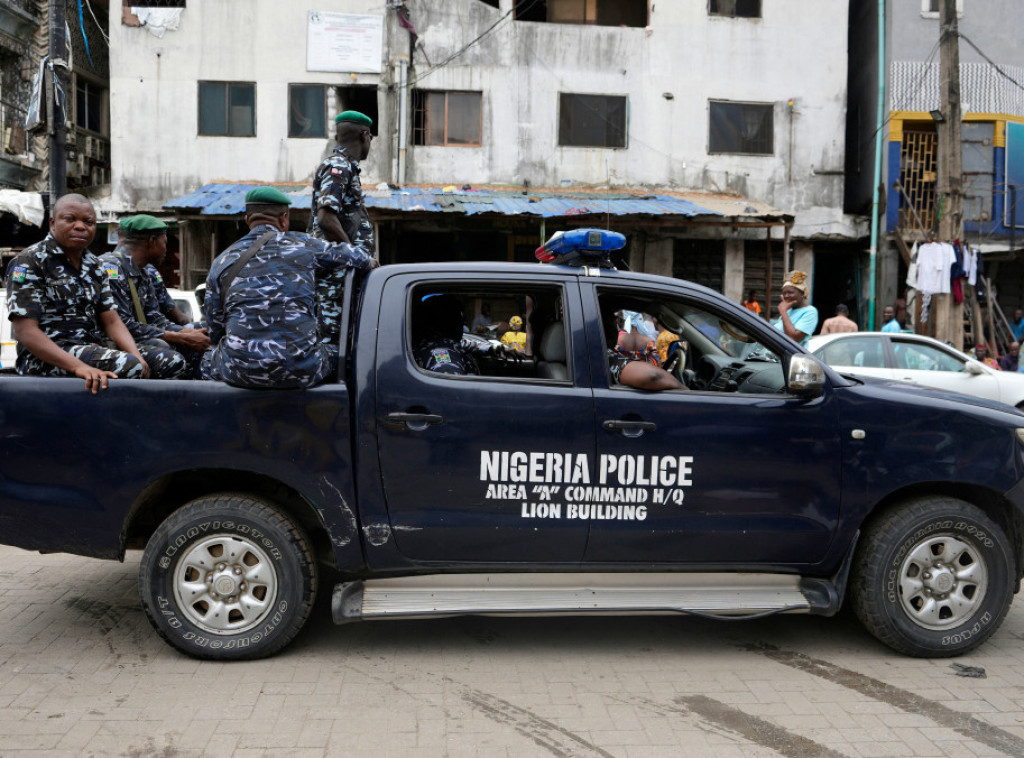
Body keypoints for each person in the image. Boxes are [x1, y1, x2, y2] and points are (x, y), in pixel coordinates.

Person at [201, 187, 374, 389]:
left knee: (206, 358)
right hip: (302, 370)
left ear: (248, 220)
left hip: (239, 372)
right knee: (338, 354)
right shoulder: (305, 245)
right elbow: (359, 257)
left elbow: (215, 331)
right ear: (284, 218)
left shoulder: (221, 261)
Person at [4, 194, 152, 393]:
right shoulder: (29, 262)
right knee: (130, 365)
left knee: (170, 361)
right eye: (70, 219)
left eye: (88, 222)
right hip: (45, 358)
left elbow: (112, 321)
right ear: (53, 223)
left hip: (90, 348)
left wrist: (137, 355)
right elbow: (25, 331)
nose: (81, 227)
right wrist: (78, 367)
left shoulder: (95, 265)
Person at [99, 215, 210, 378]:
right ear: (152, 241)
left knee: (205, 334)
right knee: (170, 357)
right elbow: (123, 325)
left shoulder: (143, 271)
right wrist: (181, 337)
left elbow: (155, 319)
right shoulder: (110, 268)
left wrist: (187, 332)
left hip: (139, 338)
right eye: (165, 243)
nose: (166, 249)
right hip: (111, 344)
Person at [309, 110, 376, 349]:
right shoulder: (339, 166)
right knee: (334, 347)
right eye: (370, 137)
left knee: (346, 343)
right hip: (335, 280)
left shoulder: (346, 167)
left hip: (342, 277)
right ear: (364, 136)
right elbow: (326, 218)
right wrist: (357, 257)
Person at [603, 310, 683, 390]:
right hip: (647, 388)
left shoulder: (618, 342)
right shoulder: (649, 341)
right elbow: (655, 367)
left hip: (620, 388)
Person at [413, 294, 480, 375]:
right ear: (450, 321)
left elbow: (467, 344)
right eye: (459, 317)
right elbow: (450, 379)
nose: (462, 323)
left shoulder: (437, 343)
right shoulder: (443, 354)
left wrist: (489, 348)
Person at [771, 270, 818, 346]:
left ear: (802, 293)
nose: (786, 296)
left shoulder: (810, 311)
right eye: (784, 293)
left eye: (790, 292)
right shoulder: (789, 311)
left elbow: (793, 338)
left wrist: (783, 312)